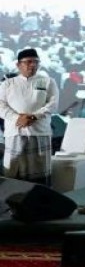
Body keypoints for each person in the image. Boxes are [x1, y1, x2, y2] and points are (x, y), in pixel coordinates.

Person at [0, 47, 60, 184]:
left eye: (35, 62)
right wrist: (17, 118)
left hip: (39, 132)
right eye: (28, 62)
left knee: (39, 175)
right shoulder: (8, 83)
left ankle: (41, 204)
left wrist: (34, 117)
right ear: (18, 65)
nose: (32, 65)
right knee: (13, 172)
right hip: (15, 132)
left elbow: (53, 104)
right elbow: (1, 105)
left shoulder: (48, 81)